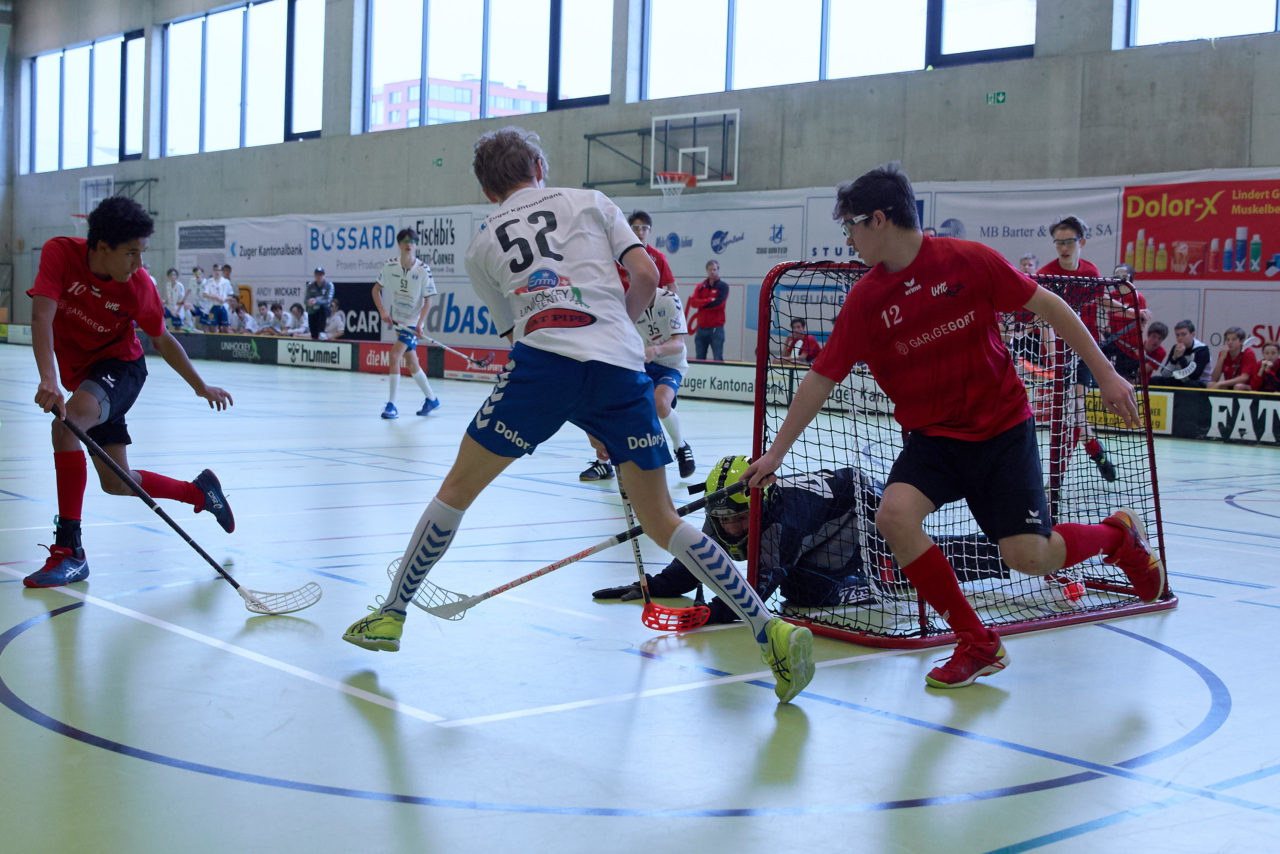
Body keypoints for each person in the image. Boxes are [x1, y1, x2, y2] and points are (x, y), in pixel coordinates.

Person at [342, 127, 815, 704]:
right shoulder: (592, 201)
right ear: (540, 164)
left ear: (489, 191)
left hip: (542, 367)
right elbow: (644, 278)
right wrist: (614, 333)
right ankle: (770, 629)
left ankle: (392, 612)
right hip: (620, 370)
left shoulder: (479, 244)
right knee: (663, 518)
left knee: (456, 490)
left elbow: (519, 334)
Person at [741, 164, 1164, 689]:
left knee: (1030, 556)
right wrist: (777, 454)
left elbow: (1049, 305)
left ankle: (1116, 538)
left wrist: (1104, 372)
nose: (847, 237)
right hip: (935, 440)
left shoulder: (967, 260)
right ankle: (976, 641)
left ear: (879, 219)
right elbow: (820, 380)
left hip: (1003, 431)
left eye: (851, 224)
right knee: (894, 517)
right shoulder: (866, 300)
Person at [25, 197, 236, 587]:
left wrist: (199, 386)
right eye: (131, 253)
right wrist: (48, 377)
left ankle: (70, 550)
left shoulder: (138, 287)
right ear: (102, 247)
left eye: (141, 253)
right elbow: (42, 314)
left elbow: (163, 339)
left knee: (66, 425)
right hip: (84, 376)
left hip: (121, 370)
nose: (139, 264)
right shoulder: (60, 254)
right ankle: (200, 493)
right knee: (117, 481)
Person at [593, 456, 1016, 622]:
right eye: (725, 520)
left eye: (741, 519)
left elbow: (750, 598)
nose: (732, 529)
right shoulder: (726, 511)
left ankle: (1003, 557)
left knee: (806, 591)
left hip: (857, 512)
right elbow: (693, 564)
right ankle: (1000, 556)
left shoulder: (781, 522)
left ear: (761, 505)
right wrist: (649, 587)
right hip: (832, 516)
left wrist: (698, 617)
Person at [580, 209, 692, 482]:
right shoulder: (613, 264)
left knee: (658, 403)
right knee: (608, 400)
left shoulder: (659, 272)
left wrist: (657, 344)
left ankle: (680, 447)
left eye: (645, 228)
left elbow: (677, 340)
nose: (640, 232)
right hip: (634, 352)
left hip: (663, 357)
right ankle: (603, 461)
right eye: (635, 228)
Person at [1037, 216, 1116, 482]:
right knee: (1070, 414)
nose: (1063, 248)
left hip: (1085, 351)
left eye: (1069, 241)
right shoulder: (1046, 275)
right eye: (1058, 243)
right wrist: (1051, 350)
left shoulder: (1090, 273)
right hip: (1059, 354)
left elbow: (1102, 301)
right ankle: (1097, 453)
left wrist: (1132, 311)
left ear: (1081, 242)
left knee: (1075, 410)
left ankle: (1060, 475)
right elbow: (1042, 317)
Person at [372, 228, 440, 419]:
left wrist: (420, 324)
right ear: (399, 244)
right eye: (404, 240)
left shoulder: (423, 269)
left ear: (415, 244)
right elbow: (375, 290)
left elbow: (429, 300)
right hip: (398, 321)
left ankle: (391, 405)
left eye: (412, 240)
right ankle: (432, 399)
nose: (408, 243)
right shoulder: (389, 266)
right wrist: (383, 312)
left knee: (394, 356)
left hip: (413, 322)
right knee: (412, 363)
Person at [1101, 263, 1150, 382]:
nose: (1120, 279)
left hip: (1130, 346)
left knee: (1125, 378)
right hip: (1114, 341)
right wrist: (1106, 329)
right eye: (1117, 276)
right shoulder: (1112, 296)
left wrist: (1140, 346)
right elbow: (1109, 317)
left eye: (1124, 275)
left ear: (1131, 277)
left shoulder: (1137, 298)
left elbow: (1142, 324)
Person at [687, 260, 729, 360]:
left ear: (718, 270)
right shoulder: (701, 287)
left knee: (718, 358)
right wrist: (709, 300)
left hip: (716, 329)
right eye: (710, 269)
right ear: (707, 270)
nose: (712, 272)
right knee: (700, 358)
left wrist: (702, 304)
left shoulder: (723, 286)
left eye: (714, 269)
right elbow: (693, 303)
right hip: (701, 328)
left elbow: (719, 304)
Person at [1150, 319, 1212, 387]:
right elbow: (1165, 374)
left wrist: (1181, 357)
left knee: (1190, 384)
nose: (1180, 338)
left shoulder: (1202, 350)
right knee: (1154, 380)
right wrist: (1173, 359)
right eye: (1177, 335)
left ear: (1193, 335)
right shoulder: (1176, 348)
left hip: (1199, 383)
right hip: (1181, 380)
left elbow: (1194, 376)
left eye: (1183, 334)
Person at [306, 267, 334, 340]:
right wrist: (309, 302)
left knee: (323, 308)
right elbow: (306, 299)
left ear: (324, 275)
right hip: (313, 309)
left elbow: (328, 300)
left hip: (324, 310)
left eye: (321, 275)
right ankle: (314, 339)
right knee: (313, 332)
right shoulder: (310, 285)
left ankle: (322, 332)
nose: (319, 277)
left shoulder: (329, 285)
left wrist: (316, 301)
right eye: (317, 275)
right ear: (315, 276)